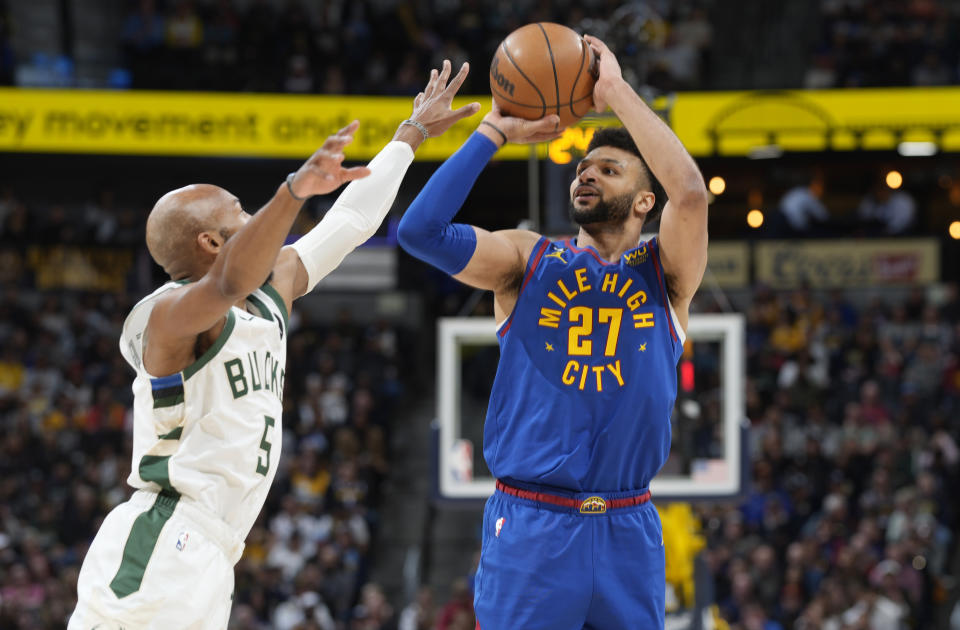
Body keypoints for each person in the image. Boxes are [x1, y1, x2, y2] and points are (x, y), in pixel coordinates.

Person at [68, 60, 480, 630]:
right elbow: (226, 284)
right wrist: (293, 191)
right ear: (211, 241)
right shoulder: (165, 316)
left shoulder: (272, 289)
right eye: (240, 211)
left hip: (215, 549)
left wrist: (410, 135)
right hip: (162, 536)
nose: (255, 215)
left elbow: (354, 219)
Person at [398, 35, 708, 630]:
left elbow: (690, 194)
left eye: (608, 169)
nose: (586, 174)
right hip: (533, 525)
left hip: (629, 525)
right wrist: (493, 131)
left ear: (646, 200)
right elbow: (420, 232)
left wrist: (614, 93)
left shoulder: (665, 275)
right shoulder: (524, 258)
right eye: (583, 167)